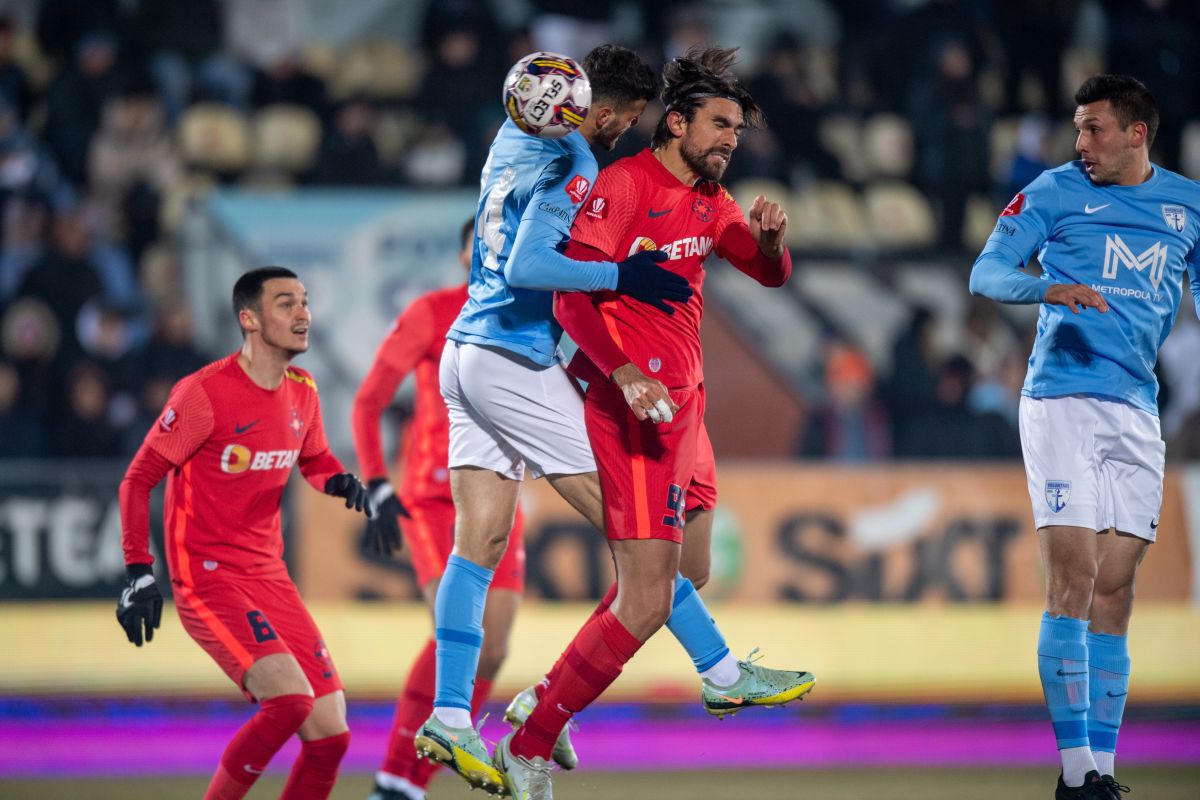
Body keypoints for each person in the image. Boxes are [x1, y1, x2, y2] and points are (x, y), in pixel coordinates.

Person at [421, 43, 807, 797]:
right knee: (647, 564)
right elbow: (538, 271)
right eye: (623, 120)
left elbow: (763, 268)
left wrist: (770, 247)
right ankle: (718, 672)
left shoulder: (512, 137)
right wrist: (622, 277)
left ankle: (451, 714)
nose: (621, 131)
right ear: (605, 111)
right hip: (516, 359)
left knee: (480, 547)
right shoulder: (585, 168)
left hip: (468, 349)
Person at [969, 74, 1200, 800]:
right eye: (1077, 128)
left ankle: (1103, 769)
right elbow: (985, 273)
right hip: (1061, 399)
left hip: (1137, 410)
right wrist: (1048, 288)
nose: (1081, 143)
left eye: (1094, 129)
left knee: (1118, 590)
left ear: (1137, 133)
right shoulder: (1054, 191)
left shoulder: (1188, 206)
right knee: (1073, 578)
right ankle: (1076, 773)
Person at [115, 266, 373, 800]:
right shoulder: (204, 393)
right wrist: (139, 571)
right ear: (249, 320)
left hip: (268, 575)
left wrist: (338, 480)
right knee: (291, 703)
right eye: (286, 303)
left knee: (331, 735)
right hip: (208, 577)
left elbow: (314, 458)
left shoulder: (303, 390)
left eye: (304, 301)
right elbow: (138, 480)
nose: (303, 314)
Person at [353, 219, 528, 800]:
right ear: (461, 255)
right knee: (456, 634)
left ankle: (412, 783)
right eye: (482, 245)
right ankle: (393, 778)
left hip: (502, 490)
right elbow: (370, 400)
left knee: (493, 650)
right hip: (435, 497)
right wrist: (378, 483)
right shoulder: (432, 312)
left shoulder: (533, 312)